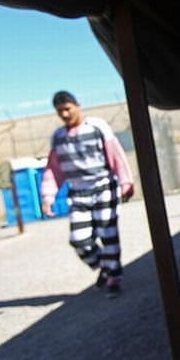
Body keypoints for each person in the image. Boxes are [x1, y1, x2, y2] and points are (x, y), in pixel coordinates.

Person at [40, 91, 134, 298]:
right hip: (78, 192)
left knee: (107, 234)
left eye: (67, 109)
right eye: (59, 111)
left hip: (103, 187)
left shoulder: (97, 127)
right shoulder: (58, 137)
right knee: (78, 239)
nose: (64, 114)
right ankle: (105, 266)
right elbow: (53, 169)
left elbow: (116, 154)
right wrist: (48, 196)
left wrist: (126, 182)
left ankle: (113, 279)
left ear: (77, 105)